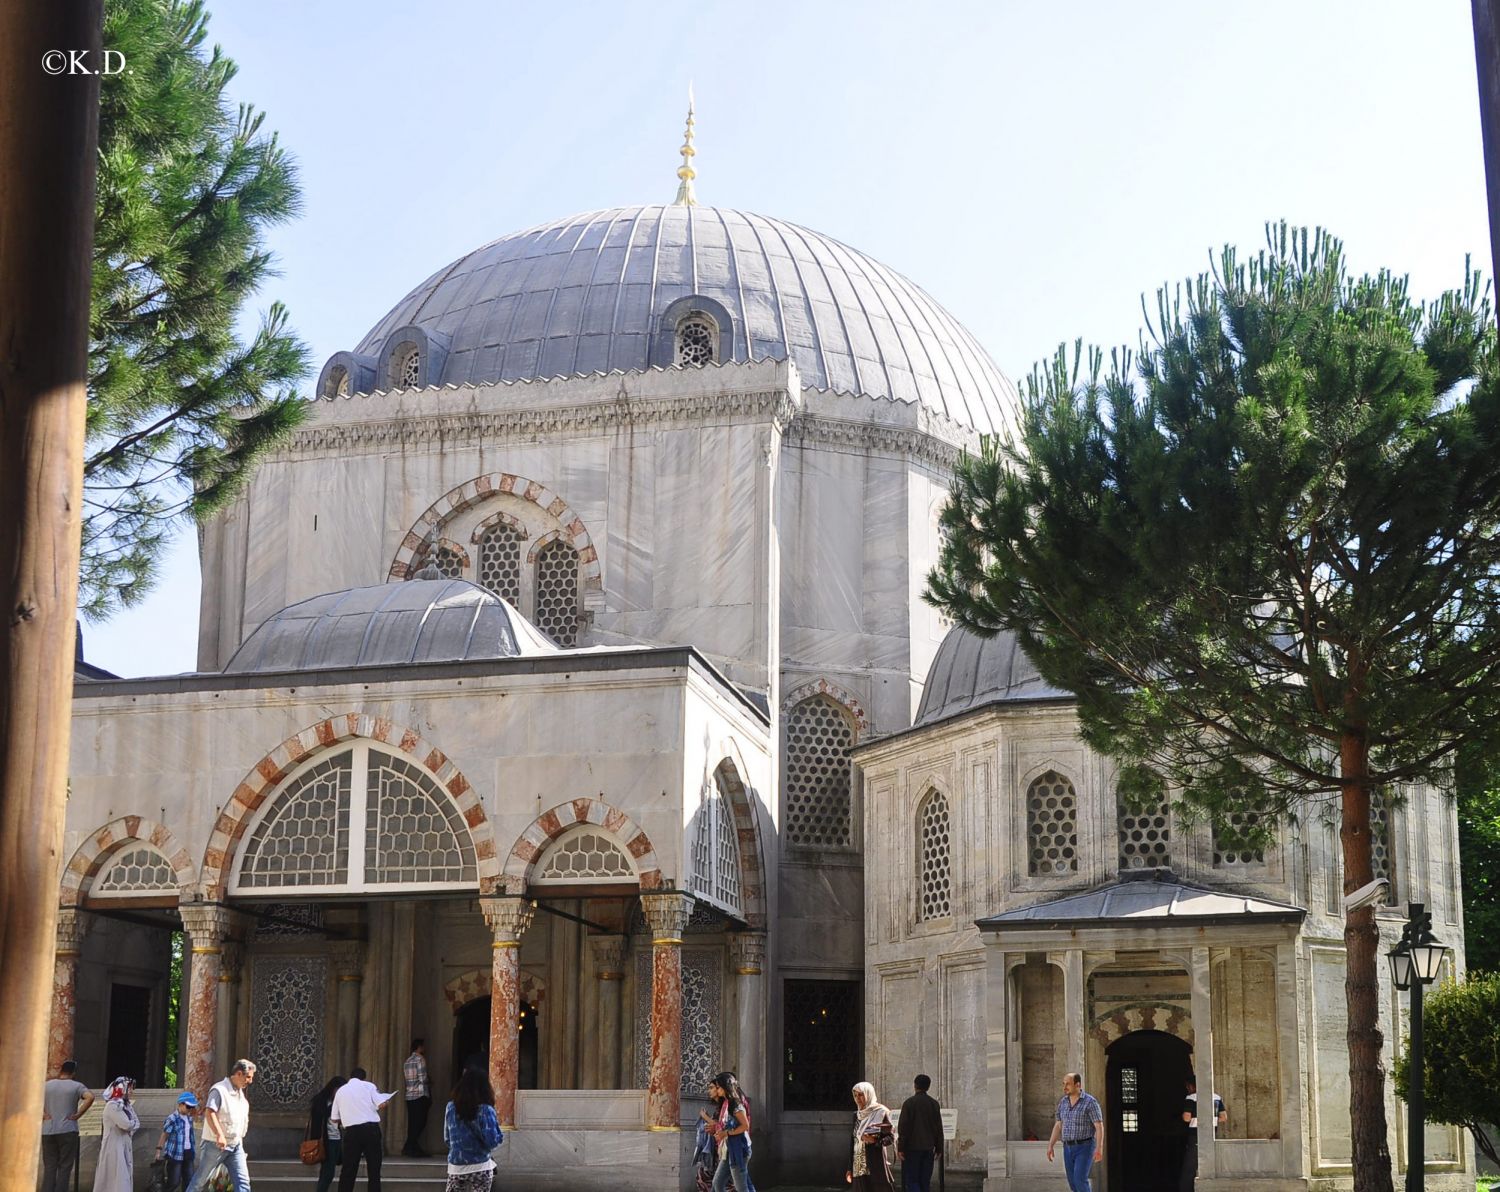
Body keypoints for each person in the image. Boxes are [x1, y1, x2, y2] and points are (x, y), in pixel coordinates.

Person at [186, 1059, 257, 1192]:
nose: (250, 1081)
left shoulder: (240, 1095)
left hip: (236, 1145)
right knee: (200, 1181)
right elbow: (209, 1112)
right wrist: (219, 1135)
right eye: (248, 1077)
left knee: (243, 1182)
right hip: (215, 1144)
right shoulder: (219, 1090)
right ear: (239, 1074)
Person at [331, 1066, 395, 1192]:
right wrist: (386, 1102)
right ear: (363, 1077)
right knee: (374, 1169)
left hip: (352, 1132)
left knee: (348, 1169)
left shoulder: (341, 1091)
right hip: (371, 1130)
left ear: (351, 1077)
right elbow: (380, 1104)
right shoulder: (369, 1086)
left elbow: (334, 1118)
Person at [442, 1067, 504, 1192]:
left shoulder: (450, 1108)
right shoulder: (486, 1110)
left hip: (456, 1167)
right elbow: (492, 1141)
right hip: (480, 1166)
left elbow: (447, 1139)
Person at [41, 1059, 95, 1192]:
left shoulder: (47, 1085)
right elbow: (90, 1097)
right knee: (65, 1166)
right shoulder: (76, 1086)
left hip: (48, 1130)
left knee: (49, 1166)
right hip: (67, 1129)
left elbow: (34, 1098)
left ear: (61, 1070)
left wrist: (43, 1114)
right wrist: (78, 1114)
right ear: (74, 1072)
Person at [1045, 1072, 1102, 1192]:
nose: (1065, 1087)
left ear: (1078, 1085)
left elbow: (1099, 1126)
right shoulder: (1063, 1102)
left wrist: (1099, 1148)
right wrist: (1051, 1145)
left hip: (1085, 1146)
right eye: (1063, 1084)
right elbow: (1058, 1125)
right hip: (1068, 1147)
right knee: (1072, 1183)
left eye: (1068, 1084)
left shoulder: (1090, 1102)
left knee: (1080, 1180)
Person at [699, 1071, 751, 1192]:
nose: (717, 1090)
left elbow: (745, 1126)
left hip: (738, 1149)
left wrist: (725, 1133)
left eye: (718, 1087)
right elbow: (723, 1125)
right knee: (717, 1183)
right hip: (727, 1150)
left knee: (741, 1187)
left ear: (725, 1087)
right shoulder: (726, 1103)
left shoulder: (735, 1104)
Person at [1179, 1074, 1227, 1191]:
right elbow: (1224, 1117)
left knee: (1189, 1168)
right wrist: (1211, 1121)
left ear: (1191, 1086)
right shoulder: (1216, 1097)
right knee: (1209, 1166)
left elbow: (1186, 1117)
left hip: (1196, 1137)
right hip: (1211, 1136)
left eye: (1188, 1086)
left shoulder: (1191, 1098)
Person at [896, 1074, 943, 1192]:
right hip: (928, 1148)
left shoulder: (909, 1103)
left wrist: (900, 1147)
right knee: (925, 1181)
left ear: (915, 1085)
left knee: (912, 1180)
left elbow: (903, 1128)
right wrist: (939, 1148)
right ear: (928, 1086)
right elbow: (938, 1128)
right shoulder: (934, 1104)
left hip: (912, 1148)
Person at [843, 1081, 894, 1191]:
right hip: (858, 1166)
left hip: (874, 1163)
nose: (858, 1098)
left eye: (861, 1095)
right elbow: (853, 1141)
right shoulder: (856, 1115)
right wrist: (849, 1168)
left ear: (868, 1094)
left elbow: (890, 1137)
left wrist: (875, 1141)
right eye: (855, 1095)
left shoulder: (881, 1112)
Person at [93, 1078, 140, 1192]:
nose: (131, 1092)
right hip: (113, 1146)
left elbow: (136, 1123)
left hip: (123, 1143)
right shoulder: (112, 1106)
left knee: (123, 1175)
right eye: (129, 1089)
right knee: (116, 1177)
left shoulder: (126, 1106)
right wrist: (130, 1125)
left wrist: (131, 1125)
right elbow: (126, 1124)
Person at [308, 1077, 347, 1192]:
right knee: (328, 1172)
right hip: (327, 1140)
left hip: (336, 1138)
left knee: (328, 1170)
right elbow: (319, 1120)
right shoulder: (321, 1101)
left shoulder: (339, 1101)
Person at [155, 1092, 199, 1192]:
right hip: (174, 1154)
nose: (190, 1109)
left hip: (188, 1153)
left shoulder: (189, 1118)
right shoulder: (172, 1118)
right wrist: (158, 1150)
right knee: (174, 1182)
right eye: (188, 1106)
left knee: (189, 1180)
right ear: (180, 1104)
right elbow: (164, 1134)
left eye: (192, 1107)